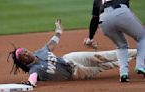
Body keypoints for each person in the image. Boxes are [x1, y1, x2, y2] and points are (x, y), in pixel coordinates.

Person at [8, 19, 136, 87]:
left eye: (25, 50)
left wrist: (58, 31)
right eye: (23, 55)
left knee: (103, 56)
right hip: (76, 73)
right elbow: (32, 79)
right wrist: (30, 84)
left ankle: (138, 52)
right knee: (104, 66)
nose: (26, 53)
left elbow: (52, 43)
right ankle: (132, 58)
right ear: (23, 62)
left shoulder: (40, 52)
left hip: (70, 58)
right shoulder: (34, 70)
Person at [84, 0, 145, 82]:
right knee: (142, 37)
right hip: (121, 12)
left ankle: (124, 74)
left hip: (103, 19)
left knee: (121, 46)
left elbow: (95, 18)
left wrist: (90, 38)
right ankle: (140, 65)